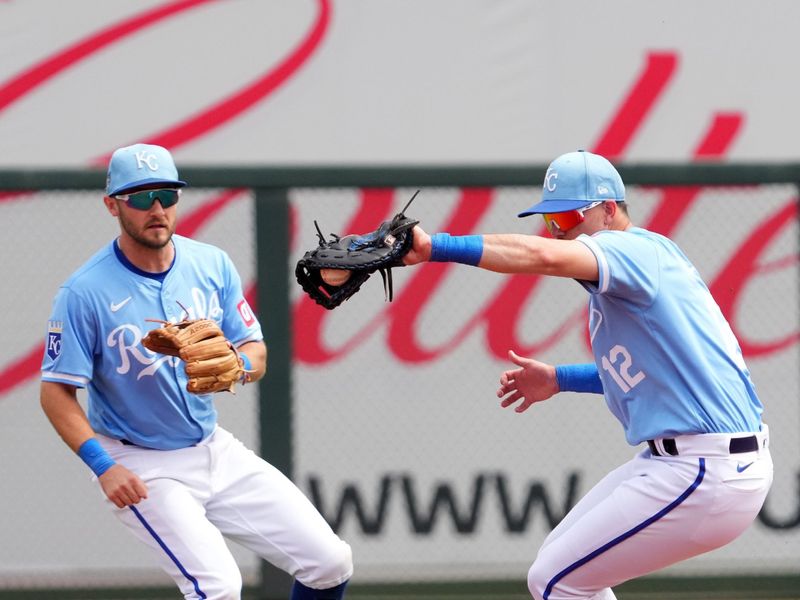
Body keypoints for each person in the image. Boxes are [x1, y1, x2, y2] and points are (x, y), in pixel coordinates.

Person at [402, 150, 773, 600]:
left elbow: (543, 257)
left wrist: (436, 247)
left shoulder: (633, 251)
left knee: (557, 580)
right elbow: (652, 374)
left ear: (609, 210)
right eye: (551, 221)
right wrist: (560, 378)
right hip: (690, 462)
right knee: (557, 565)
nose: (559, 232)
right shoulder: (633, 272)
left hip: (705, 468)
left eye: (567, 217)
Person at [40, 144, 352, 600]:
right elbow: (55, 394)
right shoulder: (83, 292)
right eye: (140, 198)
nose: (157, 209)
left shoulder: (210, 263)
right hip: (141, 462)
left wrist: (239, 366)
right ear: (112, 204)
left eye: (166, 195)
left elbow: (255, 350)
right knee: (217, 588)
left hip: (213, 448)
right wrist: (104, 467)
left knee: (330, 562)